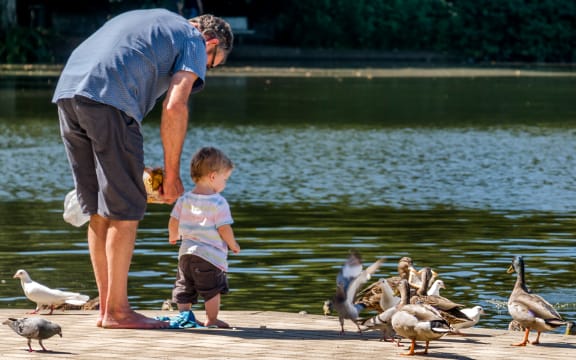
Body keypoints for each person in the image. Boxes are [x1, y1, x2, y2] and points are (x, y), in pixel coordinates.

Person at [52, 9, 234, 329]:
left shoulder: (154, 19)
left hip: (69, 93)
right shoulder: (192, 37)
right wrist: (172, 174)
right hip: (109, 99)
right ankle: (118, 312)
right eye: (211, 64)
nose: (204, 71)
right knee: (125, 210)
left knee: (98, 208)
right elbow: (175, 105)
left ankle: (108, 309)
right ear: (212, 42)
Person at [168, 146, 240, 328]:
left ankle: (185, 317)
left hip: (185, 253)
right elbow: (224, 228)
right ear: (213, 177)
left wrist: (173, 236)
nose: (225, 184)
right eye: (225, 179)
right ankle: (212, 319)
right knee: (212, 290)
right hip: (209, 256)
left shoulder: (184, 199)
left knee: (185, 286)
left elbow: (173, 220)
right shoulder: (218, 202)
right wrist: (233, 244)